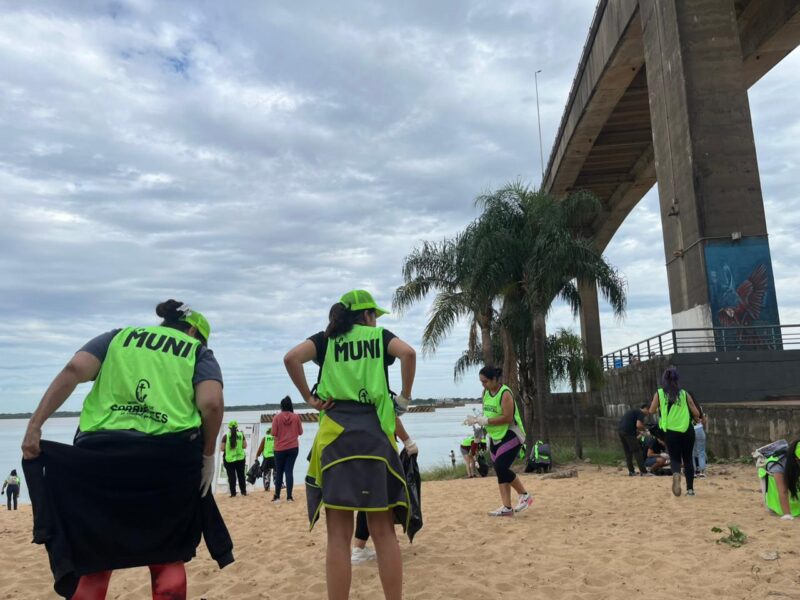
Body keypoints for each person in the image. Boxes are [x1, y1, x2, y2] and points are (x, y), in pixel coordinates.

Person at [20, 299, 232, 600]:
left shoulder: (117, 337)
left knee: (95, 560)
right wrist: (208, 455)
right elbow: (211, 403)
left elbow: (74, 369)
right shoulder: (196, 350)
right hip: (165, 465)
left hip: (100, 461)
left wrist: (35, 426)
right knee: (167, 557)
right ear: (193, 331)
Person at [283, 289, 417, 600]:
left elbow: (291, 358)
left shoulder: (326, 339)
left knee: (338, 537)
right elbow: (409, 354)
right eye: (374, 315)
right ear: (366, 315)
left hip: (335, 441)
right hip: (375, 438)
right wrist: (404, 398)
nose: (375, 321)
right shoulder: (378, 337)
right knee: (384, 533)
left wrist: (309, 398)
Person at [465, 366, 533, 517]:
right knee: (500, 469)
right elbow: (487, 414)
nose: (483, 384)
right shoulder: (485, 393)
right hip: (495, 435)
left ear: (495, 379)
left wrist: (486, 420)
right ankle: (507, 507)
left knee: (500, 466)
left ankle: (524, 495)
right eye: (481, 382)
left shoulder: (505, 393)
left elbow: (507, 418)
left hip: (511, 433)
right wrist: (476, 421)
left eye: (485, 381)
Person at [351, 416, 418, 565]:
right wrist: (408, 441)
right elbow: (391, 415)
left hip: (356, 446)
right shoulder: (378, 400)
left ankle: (362, 548)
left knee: (368, 497)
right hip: (379, 449)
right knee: (381, 498)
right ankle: (362, 548)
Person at [648, 367, 701, 497]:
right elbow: (696, 413)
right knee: (688, 459)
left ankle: (676, 474)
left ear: (664, 380)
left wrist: (661, 407)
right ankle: (690, 490)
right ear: (677, 380)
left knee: (675, 458)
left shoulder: (659, 393)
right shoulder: (684, 394)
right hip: (687, 430)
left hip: (670, 432)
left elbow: (651, 410)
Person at [271, 396, 303, 503]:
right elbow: (300, 432)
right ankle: (289, 497)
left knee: (279, 472)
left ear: (281, 406)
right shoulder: (296, 417)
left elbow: (273, 433)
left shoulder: (276, 418)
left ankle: (277, 496)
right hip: (293, 448)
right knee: (289, 471)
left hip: (279, 449)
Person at [759, 439, 800, 519]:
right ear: (796, 459)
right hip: (775, 492)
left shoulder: (796, 462)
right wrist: (787, 515)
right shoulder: (777, 465)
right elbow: (783, 491)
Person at [617, 403, 651, 476]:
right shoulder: (641, 413)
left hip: (621, 431)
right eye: (649, 411)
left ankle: (631, 472)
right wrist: (645, 430)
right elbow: (638, 425)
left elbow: (630, 424)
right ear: (646, 408)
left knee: (628, 452)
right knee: (637, 451)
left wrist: (640, 432)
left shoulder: (633, 411)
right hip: (628, 433)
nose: (648, 414)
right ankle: (644, 472)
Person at [220, 420, 247, 497]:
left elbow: (222, 448)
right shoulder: (241, 435)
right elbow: (244, 446)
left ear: (229, 428)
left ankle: (233, 493)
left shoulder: (226, 436)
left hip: (229, 459)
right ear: (237, 427)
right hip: (240, 458)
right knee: (241, 475)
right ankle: (243, 492)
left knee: (231, 476)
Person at [255, 427, 276, 492]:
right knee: (276, 471)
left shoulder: (265, 438)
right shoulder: (276, 437)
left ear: (267, 432)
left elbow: (261, 448)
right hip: (275, 457)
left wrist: (257, 455)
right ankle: (278, 484)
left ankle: (267, 486)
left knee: (267, 471)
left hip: (267, 457)